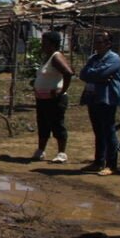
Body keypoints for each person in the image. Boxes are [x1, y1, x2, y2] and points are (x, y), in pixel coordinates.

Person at [78, 31, 120, 176]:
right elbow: (83, 74)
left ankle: (112, 164)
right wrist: (96, 76)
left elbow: (101, 73)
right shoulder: (93, 58)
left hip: (108, 98)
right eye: (96, 42)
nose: (96, 45)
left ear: (108, 44)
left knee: (108, 130)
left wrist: (96, 75)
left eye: (100, 42)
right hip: (93, 98)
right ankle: (99, 161)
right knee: (98, 130)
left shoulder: (114, 58)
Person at [32, 31, 74, 163]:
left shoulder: (56, 57)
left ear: (51, 44)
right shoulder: (47, 57)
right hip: (43, 99)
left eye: (44, 42)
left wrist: (61, 91)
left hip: (54, 99)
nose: (42, 45)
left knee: (57, 124)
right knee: (43, 124)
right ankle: (41, 151)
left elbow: (68, 73)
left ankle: (61, 153)